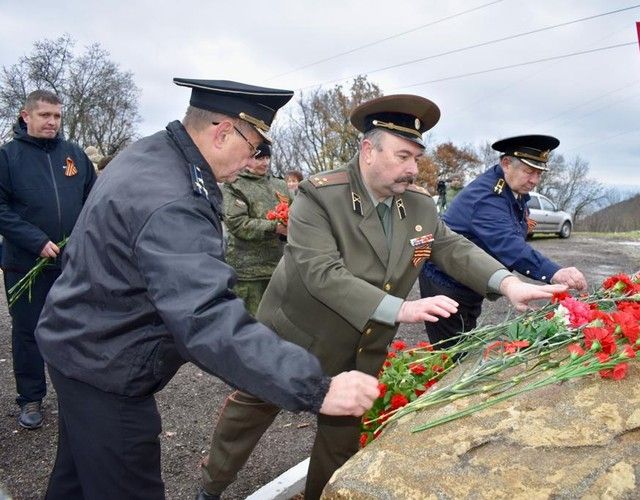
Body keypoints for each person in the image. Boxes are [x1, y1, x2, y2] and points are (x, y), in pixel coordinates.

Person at [198, 95, 566, 500]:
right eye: (403, 156)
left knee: (340, 441)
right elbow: (322, 273)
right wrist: (401, 309)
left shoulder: (419, 205)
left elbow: (451, 248)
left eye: (416, 157)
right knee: (248, 415)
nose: (413, 169)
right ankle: (211, 487)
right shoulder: (319, 196)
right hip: (295, 339)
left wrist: (508, 283)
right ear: (368, 150)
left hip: (360, 348)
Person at [34, 78, 379, 499]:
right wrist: (316, 387)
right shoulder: (175, 199)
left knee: (76, 479)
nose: (252, 159)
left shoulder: (149, 153)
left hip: (77, 345)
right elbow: (206, 319)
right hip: (107, 368)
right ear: (222, 132)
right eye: (252, 147)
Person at [419, 135, 587, 348]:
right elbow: (510, 245)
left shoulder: (511, 190)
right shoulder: (487, 198)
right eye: (529, 171)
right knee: (451, 350)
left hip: (473, 278)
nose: (535, 180)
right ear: (506, 164)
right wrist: (554, 272)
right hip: (448, 283)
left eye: (539, 173)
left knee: (465, 339)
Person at [0, 90, 97, 430]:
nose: (52, 122)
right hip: (24, 263)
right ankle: (30, 398)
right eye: (45, 115)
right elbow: (1, 210)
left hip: (70, 261)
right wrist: (36, 241)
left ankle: (76, 394)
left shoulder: (73, 155)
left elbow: (92, 200)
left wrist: (84, 239)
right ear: (26, 116)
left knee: (74, 328)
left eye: (56, 116)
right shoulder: (8, 157)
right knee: (29, 331)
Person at [223, 142, 289, 315]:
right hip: (249, 273)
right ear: (247, 158)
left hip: (279, 268)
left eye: (267, 157)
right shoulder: (234, 185)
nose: (265, 162)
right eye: (259, 157)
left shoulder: (280, 186)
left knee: (278, 322)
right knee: (252, 324)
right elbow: (237, 223)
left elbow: (296, 213)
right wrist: (275, 228)